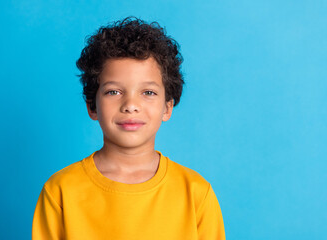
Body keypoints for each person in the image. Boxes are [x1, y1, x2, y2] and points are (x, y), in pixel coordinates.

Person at [32, 16, 225, 240]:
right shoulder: (60, 190)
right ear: (92, 106)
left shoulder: (196, 193)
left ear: (167, 107)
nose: (131, 105)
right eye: (114, 92)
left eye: (148, 93)